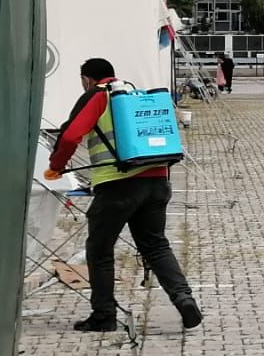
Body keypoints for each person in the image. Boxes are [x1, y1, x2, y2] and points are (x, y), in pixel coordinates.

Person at [46, 57, 204, 334]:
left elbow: (70, 136)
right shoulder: (133, 94)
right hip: (157, 181)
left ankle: (103, 315)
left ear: (87, 79)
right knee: (156, 246)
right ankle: (184, 299)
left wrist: (56, 167)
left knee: (100, 249)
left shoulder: (98, 96)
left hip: (118, 186)